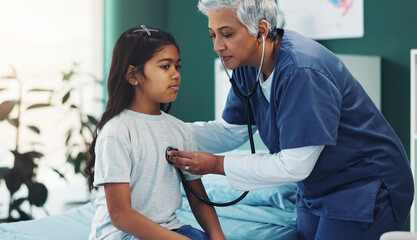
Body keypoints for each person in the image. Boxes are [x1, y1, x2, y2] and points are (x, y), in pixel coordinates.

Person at [168, 1, 414, 239]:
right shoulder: (247, 66)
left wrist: (215, 165)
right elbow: (231, 132)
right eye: (213, 35)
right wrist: (167, 129)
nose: (217, 46)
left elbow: (294, 165)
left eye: (227, 34)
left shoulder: (302, 70)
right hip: (316, 187)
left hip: (364, 185)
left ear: (261, 31)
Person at [84, 25, 226, 240]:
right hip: (122, 235)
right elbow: (121, 216)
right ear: (133, 75)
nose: (175, 75)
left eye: (177, 66)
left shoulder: (180, 130)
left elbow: (198, 199)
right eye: (165, 66)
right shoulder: (117, 131)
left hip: (170, 230)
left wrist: (218, 237)